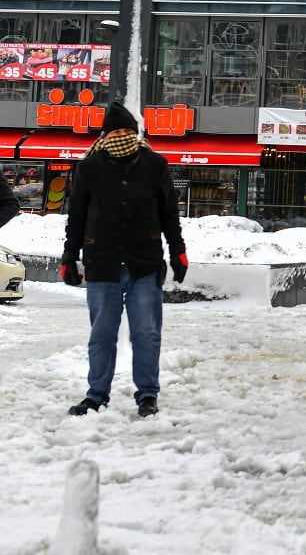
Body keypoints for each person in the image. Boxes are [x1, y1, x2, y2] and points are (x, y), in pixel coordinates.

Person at [61, 102, 188, 417]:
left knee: (146, 332)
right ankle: (95, 395)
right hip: (102, 263)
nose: (122, 136)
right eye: (116, 131)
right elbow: (76, 216)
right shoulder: (89, 168)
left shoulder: (155, 165)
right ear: (105, 136)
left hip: (143, 262)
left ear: (136, 133)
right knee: (101, 334)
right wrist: (69, 254)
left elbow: (169, 213)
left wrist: (178, 250)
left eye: (127, 131)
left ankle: (147, 395)